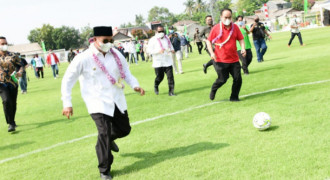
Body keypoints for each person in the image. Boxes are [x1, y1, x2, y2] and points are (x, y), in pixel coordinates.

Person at [61, 26, 145, 180]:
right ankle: (104, 171)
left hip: (116, 98)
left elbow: (126, 72)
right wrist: (67, 103)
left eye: (111, 40)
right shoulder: (83, 58)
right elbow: (68, 80)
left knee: (124, 129)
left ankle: (107, 141)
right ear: (95, 40)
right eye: (105, 40)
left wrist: (135, 85)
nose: (109, 43)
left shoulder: (117, 55)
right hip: (96, 101)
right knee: (104, 132)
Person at [206, 8, 246, 101]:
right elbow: (208, 41)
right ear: (221, 17)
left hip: (234, 59)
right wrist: (212, 53)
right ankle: (214, 89)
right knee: (222, 79)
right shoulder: (216, 28)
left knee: (238, 79)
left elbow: (240, 38)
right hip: (220, 60)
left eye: (229, 17)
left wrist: (243, 48)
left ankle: (234, 97)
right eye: (225, 17)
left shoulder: (235, 27)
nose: (227, 19)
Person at [0, 36, 23, 132]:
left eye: (6, 43)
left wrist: (20, 72)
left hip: (13, 82)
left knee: (13, 103)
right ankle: (10, 123)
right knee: (6, 101)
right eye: (2, 44)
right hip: (1, 83)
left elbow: (21, 66)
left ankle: (12, 120)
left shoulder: (13, 55)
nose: (4, 45)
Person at [147, 26, 176, 96]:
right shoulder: (153, 40)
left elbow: (170, 46)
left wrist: (172, 50)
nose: (161, 33)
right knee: (160, 77)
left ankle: (171, 92)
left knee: (170, 77)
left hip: (167, 61)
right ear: (156, 32)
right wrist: (158, 51)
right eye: (160, 31)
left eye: (163, 31)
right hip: (158, 62)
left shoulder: (167, 39)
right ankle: (156, 85)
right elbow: (149, 51)